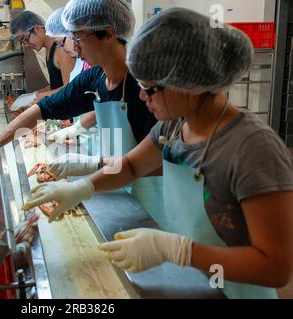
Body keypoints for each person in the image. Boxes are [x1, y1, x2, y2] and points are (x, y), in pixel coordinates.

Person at [22, 8, 293, 299]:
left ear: (187, 84)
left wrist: (177, 250)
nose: (141, 96)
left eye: (150, 88)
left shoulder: (253, 148)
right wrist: (83, 187)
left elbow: (275, 268)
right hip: (188, 281)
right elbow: (131, 167)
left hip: (236, 291)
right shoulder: (174, 127)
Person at [0, 0, 158, 200]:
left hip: (153, 199)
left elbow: (157, 163)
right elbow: (44, 108)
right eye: (72, 39)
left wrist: (97, 164)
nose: (74, 48)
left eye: (79, 39)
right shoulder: (96, 78)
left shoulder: (146, 89)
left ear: (108, 33)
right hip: (118, 187)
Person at [44, 7, 98, 154]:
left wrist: (77, 128)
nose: (62, 48)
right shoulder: (81, 61)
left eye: (61, 43)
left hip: (99, 140)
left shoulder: (98, 66)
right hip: (85, 139)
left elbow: (101, 107)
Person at [11, 10, 75, 102]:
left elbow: (70, 89)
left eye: (25, 39)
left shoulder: (61, 49)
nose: (26, 45)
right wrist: (35, 94)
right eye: (22, 43)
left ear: (37, 29)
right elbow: (56, 85)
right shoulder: (48, 50)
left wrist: (37, 97)